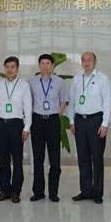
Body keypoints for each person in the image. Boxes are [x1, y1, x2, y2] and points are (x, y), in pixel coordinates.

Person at [68, 51, 111, 204]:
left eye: (89, 60)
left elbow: (107, 102)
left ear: (95, 61)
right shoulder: (76, 79)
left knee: (97, 158)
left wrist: (104, 124)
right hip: (80, 121)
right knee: (83, 158)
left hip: (95, 121)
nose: (86, 63)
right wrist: (72, 121)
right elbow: (72, 101)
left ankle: (97, 191)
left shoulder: (103, 79)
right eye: (84, 60)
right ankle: (85, 190)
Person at [0, 57, 32, 203]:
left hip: (16, 125)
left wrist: (26, 128)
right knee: (3, 161)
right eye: (7, 67)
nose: (9, 70)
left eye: (12, 67)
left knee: (17, 160)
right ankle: (4, 190)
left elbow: (28, 107)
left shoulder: (24, 86)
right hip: (1, 125)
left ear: (17, 68)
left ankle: (16, 192)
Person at [29, 53, 68, 202]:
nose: (45, 66)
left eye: (48, 63)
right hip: (37, 121)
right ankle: (38, 192)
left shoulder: (59, 82)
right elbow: (29, 102)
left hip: (53, 121)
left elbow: (63, 101)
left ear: (52, 65)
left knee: (54, 159)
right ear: (39, 65)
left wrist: (56, 115)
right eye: (42, 63)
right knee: (38, 159)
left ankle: (53, 192)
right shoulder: (32, 82)